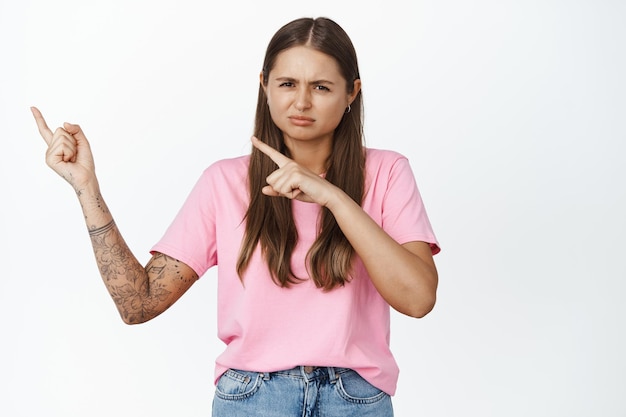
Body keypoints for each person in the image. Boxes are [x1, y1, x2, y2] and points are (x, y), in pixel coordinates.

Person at [32, 16, 439, 417]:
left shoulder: (387, 173)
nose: (301, 102)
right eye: (286, 84)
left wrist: (332, 196)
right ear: (264, 86)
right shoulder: (224, 183)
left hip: (356, 400)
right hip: (254, 399)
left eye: (321, 86)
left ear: (351, 93)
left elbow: (418, 299)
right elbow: (139, 303)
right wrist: (86, 188)